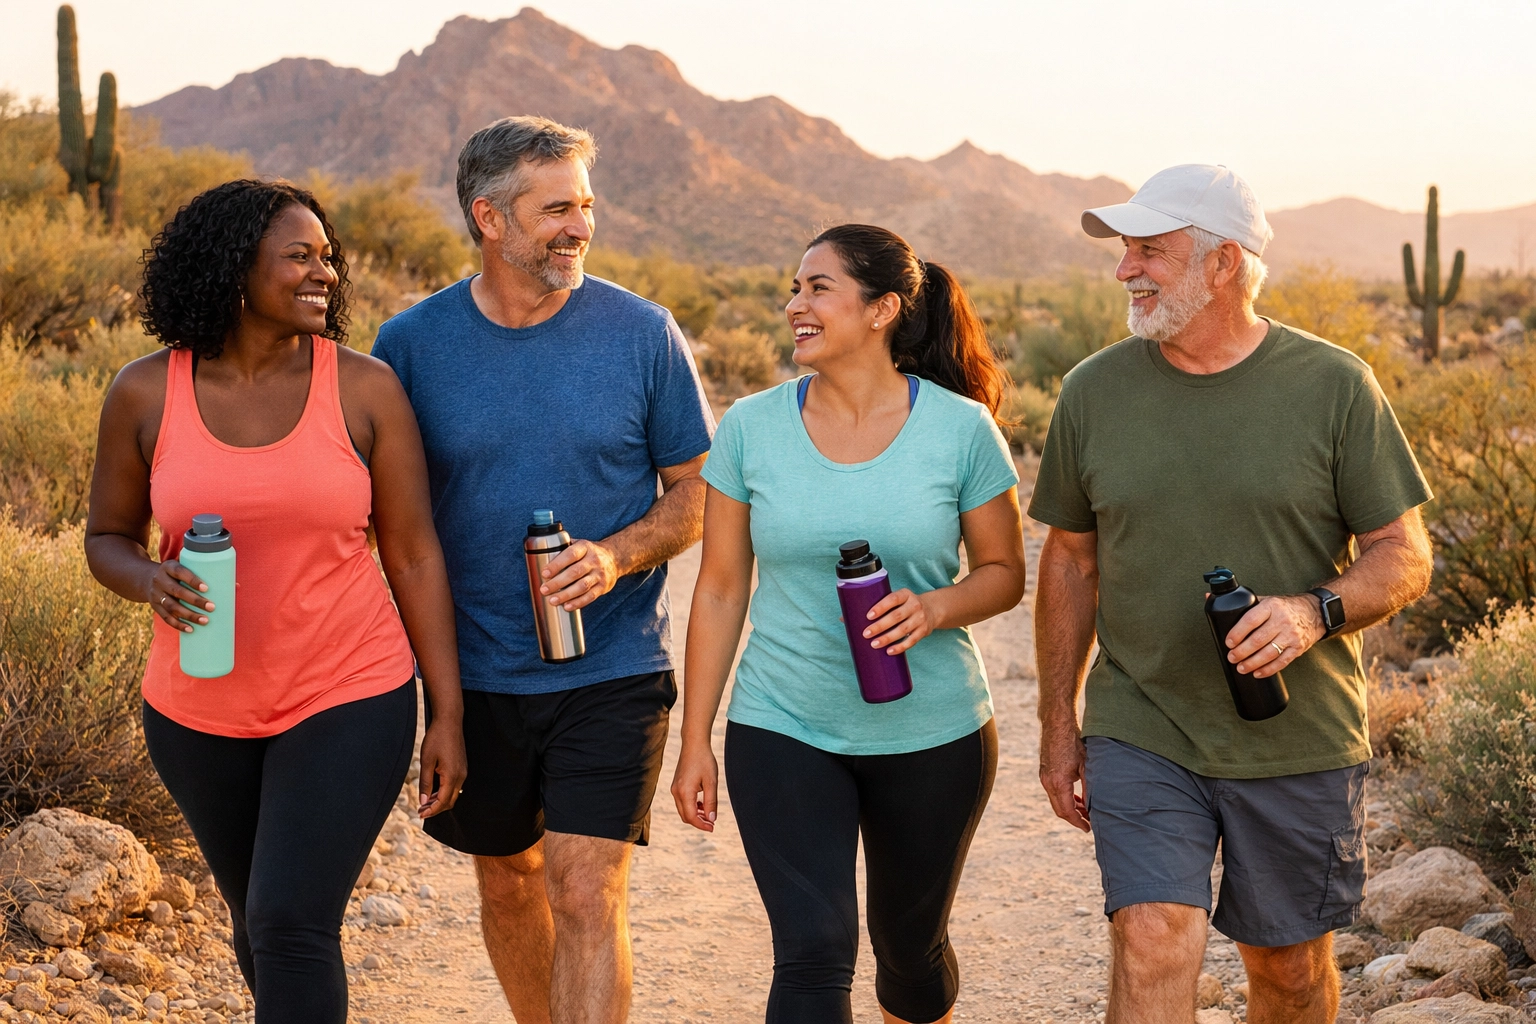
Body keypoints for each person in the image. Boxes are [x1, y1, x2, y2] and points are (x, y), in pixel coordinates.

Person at [1029, 164, 1435, 1024]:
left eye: (1150, 250)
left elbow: (1404, 554)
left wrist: (1309, 612)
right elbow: (1068, 560)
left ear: (1224, 265)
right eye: (1125, 250)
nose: (1124, 270)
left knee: (1287, 971)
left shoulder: (1333, 386)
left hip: (1298, 731)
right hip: (1144, 721)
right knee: (1152, 933)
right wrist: (1059, 725)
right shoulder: (1092, 391)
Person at [85, 179, 467, 1024]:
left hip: (346, 691)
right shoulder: (145, 392)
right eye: (299, 256)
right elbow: (105, 536)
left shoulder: (365, 390)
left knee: (293, 922)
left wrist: (447, 710)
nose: (322, 273)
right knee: (259, 923)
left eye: (327, 257)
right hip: (196, 705)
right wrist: (149, 577)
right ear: (233, 268)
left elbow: (412, 552)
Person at [371, 115, 714, 1024]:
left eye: (586, 205)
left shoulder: (643, 333)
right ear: (489, 216)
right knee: (511, 883)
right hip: (478, 670)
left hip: (614, 665)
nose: (580, 225)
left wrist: (616, 555)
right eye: (556, 207)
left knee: (583, 888)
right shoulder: (409, 347)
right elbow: (379, 515)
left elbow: (699, 491)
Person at [672, 224, 1027, 1024]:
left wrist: (935, 607)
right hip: (782, 725)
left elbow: (1006, 574)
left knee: (910, 956)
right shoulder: (751, 428)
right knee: (812, 955)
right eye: (793, 288)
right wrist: (696, 738)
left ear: (882, 309)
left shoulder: (962, 429)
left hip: (934, 733)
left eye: (817, 288)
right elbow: (722, 589)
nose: (794, 304)